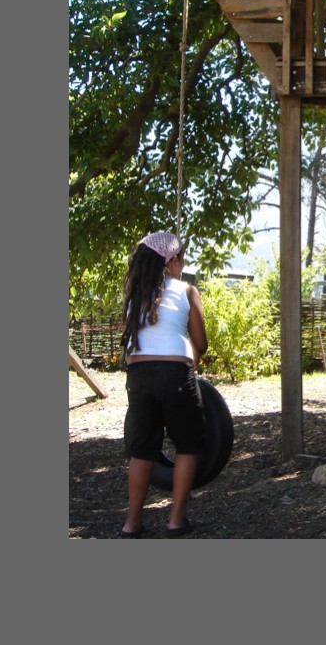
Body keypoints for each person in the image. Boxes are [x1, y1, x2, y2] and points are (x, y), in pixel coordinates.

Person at [119, 231, 208, 538]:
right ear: (172, 260)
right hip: (174, 374)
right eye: (181, 259)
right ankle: (176, 520)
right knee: (188, 445)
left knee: (142, 450)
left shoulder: (134, 295)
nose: (183, 266)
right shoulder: (186, 290)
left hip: (139, 375)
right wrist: (194, 356)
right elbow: (202, 342)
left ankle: (132, 523)